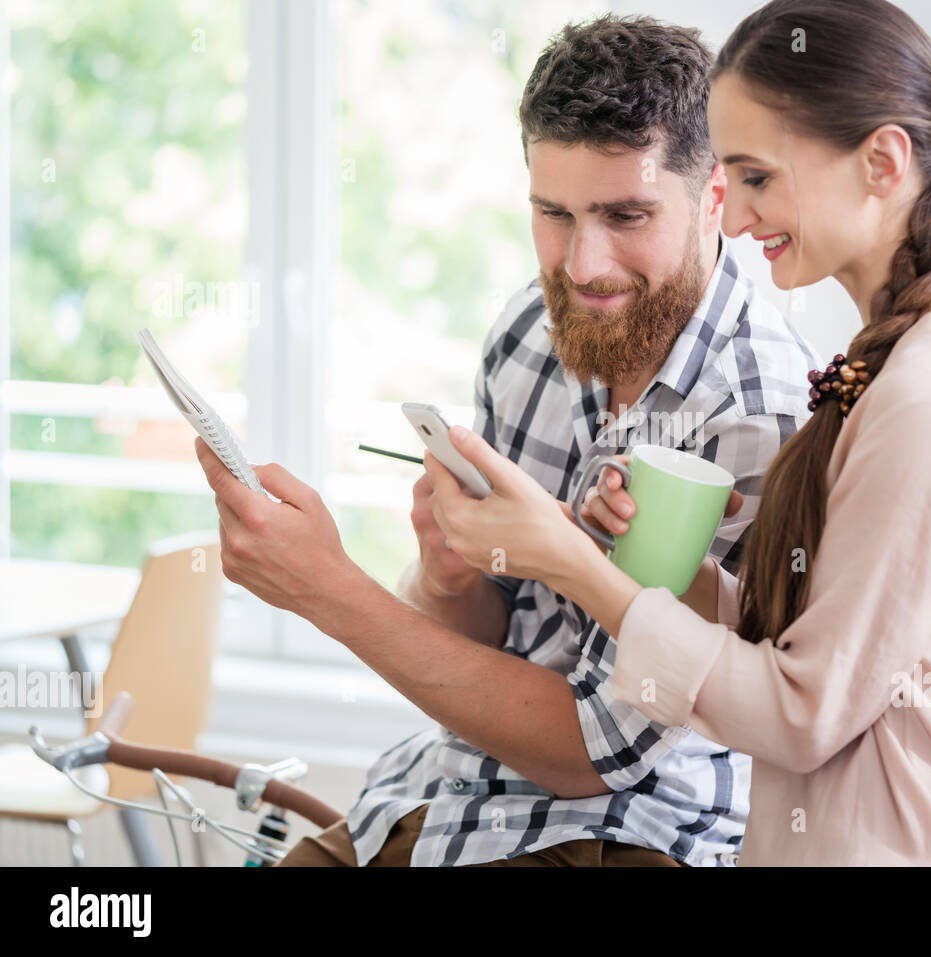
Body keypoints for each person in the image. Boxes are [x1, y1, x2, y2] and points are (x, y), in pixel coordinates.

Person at [419, 0, 931, 865]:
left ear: (882, 163)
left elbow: (800, 715)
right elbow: (816, 647)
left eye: (757, 178)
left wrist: (570, 564)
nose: (731, 218)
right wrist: (650, 565)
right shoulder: (896, 363)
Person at [196, 13, 820, 867]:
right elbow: (488, 634)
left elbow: (597, 750)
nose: (584, 264)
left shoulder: (759, 417)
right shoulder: (532, 328)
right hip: (446, 791)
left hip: (627, 830)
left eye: (626, 216)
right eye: (553, 213)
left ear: (714, 195)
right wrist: (449, 576)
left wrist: (330, 592)